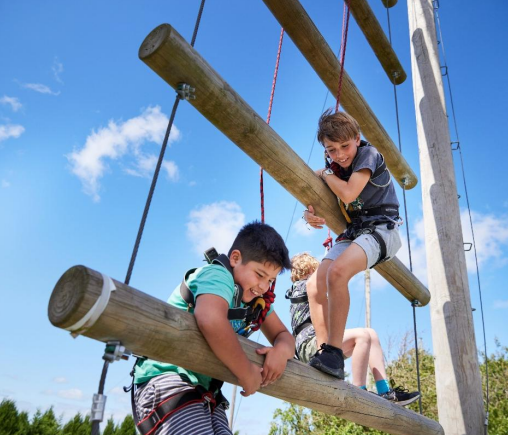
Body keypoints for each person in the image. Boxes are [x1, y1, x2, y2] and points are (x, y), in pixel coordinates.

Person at [132, 221, 294, 435]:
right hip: (167, 377)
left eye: (271, 280)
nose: (264, 287)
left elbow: (284, 336)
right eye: (260, 275)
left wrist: (281, 351)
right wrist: (246, 372)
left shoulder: (256, 303)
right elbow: (210, 320)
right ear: (235, 258)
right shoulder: (217, 275)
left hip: (206, 391)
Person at [303, 110, 402, 380]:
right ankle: (325, 351)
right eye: (331, 150)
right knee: (314, 285)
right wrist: (308, 214)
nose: (339, 155)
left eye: (345, 146)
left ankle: (334, 352)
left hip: (382, 229)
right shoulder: (333, 169)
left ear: (357, 139)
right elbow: (313, 190)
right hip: (355, 232)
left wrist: (325, 173)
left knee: (337, 273)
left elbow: (348, 193)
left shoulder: (368, 154)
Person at [287, 253, 419, 406]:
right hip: (310, 345)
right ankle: (359, 390)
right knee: (361, 336)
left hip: (321, 342)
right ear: (309, 270)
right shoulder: (303, 286)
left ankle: (385, 390)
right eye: (316, 270)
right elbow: (330, 282)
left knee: (371, 334)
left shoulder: (311, 287)